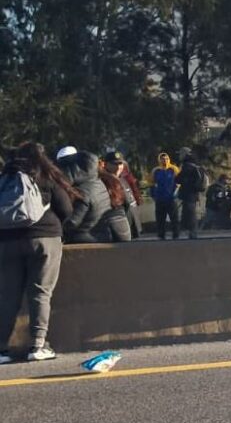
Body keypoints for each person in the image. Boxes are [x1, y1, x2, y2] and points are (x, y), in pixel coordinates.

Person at [0, 143, 78, 363]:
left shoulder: (5, 179)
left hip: (6, 242)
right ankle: (38, 345)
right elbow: (66, 209)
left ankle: (2, 350)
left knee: (7, 296)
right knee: (40, 293)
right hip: (44, 238)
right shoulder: (46, 178)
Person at [56, 147, 107, 244]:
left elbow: (73, 222)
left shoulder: (81, 191)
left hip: (86, 237)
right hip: (101, 233)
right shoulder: (97, 181)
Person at [102, 151, 141, 238]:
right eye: (114, 164)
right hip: (117, 229)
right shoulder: (103, 182)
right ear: (106, 164)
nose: (118, 167)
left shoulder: (123, 180)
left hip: (131, 226)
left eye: (120, 164)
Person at [92, 168, 135, 243]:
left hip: (102, 229)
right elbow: (127, 205)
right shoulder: (113, 180)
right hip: (122, 227)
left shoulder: (92, 184)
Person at [174, 147, 207, 240]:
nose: (179, 156)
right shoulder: (194, 165)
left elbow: (178, 179)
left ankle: (192, 233)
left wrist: (179, 180)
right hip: (193, 194)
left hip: (189, 195)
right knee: (188, 213)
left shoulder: (187, 166)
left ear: (184, 154)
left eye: (180, 154)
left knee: (190, 214)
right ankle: (189, 233)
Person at [149, 152, 179, 240]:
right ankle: (161, 235)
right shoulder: (156, 170)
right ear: (159, 160)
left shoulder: (173, 169)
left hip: (171, 198)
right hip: (160, 198)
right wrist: (154, 195)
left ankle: (176, 234)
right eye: (162, 159)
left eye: (166, 159)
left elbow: (179, 183)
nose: (164, 161)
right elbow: (151, 183)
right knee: (160, 218)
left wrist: (176, 194)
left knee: (174, 218)